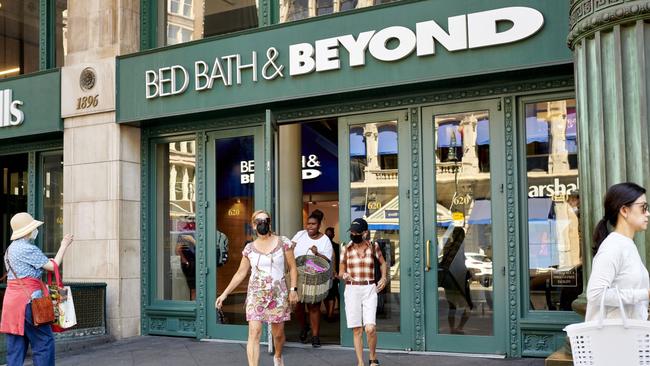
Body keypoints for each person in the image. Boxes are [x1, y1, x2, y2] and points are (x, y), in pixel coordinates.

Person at [215, 210, 298, 366]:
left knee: (278, 335)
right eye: (258, 221)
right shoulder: (249, 249)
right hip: (256, 295)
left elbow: (293, 268)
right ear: (253, 225)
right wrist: (225, 293)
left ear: (270, 223)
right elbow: (240, 273)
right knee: (254, 333)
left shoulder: (283, 242)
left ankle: (278, 356)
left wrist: (293, 290)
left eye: (265, 220)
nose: (262, 223)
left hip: (278, 295)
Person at [1, 212, 74, 366]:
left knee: (15, 348)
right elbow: (52, 266)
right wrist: (64, 245)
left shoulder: (10, 249)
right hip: (30, 303)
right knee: (44, 344)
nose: (35, 230)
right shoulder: (28, 248)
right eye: (33, 227)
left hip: (12, 305)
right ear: (28, 230)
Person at [585, 182, 650, 322]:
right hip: (613, 339)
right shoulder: (613, 247)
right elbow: (595, 294)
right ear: (624, 210)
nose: (648, 213)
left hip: (628, 337)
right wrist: (645, 294)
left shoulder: (627, 245)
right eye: (643, 208)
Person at [339, 218, 387, 366]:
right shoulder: (345, 247)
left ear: (365, 233)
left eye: (356, 232)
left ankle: (373, 357)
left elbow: (383, 263)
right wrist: (344, 274)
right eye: (352, 232)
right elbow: (341, 268)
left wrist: (384, 277)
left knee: (370, 328)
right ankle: (360, 362)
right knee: (357, 330)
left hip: (369, 288)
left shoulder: (374, 246)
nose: (353, 234)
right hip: (352, 288)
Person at [291, 209, 334, 347]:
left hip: (314, 278)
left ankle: (315, 336)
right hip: (298, 275)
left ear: (319, 225)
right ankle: (304, 327)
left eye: (313, 224)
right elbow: (289, 248)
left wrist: (317, 253)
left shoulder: (325, 240)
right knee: (298, 305)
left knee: (314, 306)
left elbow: (328, 260)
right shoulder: (300, 234)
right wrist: (290, 246)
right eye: (308, 223)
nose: (309, 226)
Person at [324, 227, 340, 322]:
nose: (328, 236)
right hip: (325, 273)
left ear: (333, 235)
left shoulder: (337, 247)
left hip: (333, 273)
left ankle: (330, 314)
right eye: (327, 235)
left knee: (331, 294)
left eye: (330, 234)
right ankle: (329, 313)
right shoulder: (323, 246)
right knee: (328, 295)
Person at [175, 234, 196, 300]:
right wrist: (185, 260)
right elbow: (177, 250)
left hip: (198, 263)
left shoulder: (196, 233)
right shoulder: (184, 234)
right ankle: (194, 305)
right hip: (190, 265)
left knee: (197, 289)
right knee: (193, 289)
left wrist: (192, 240)